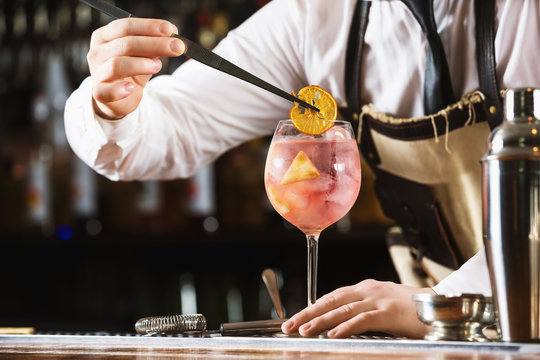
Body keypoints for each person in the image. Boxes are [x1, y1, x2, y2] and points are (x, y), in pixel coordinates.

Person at [64, 0, 540, 338]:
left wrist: (444, 304)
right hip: (431, 335)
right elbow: (166, 131)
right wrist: (113, 104)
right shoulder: (316, 16)